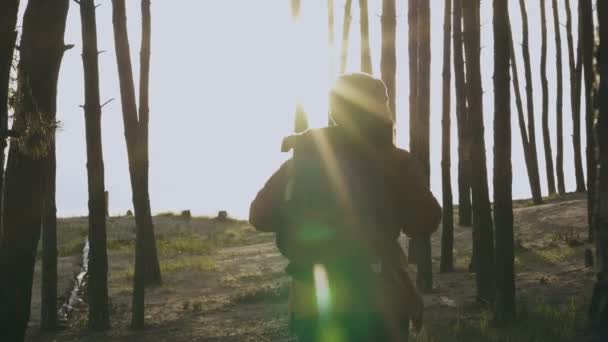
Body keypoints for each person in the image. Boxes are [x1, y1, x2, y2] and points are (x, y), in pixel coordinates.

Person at [250, 73, 441, 341]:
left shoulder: (303, 159)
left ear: (335, 110)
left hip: (313, 300)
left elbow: (259, 216)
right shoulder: (395, 161)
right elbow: (425, 220)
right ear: (379, 108)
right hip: (378, 299)